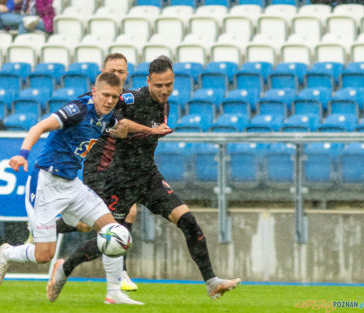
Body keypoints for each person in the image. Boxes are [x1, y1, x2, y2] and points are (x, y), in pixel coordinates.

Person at [48, 56, 241, 303]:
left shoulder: (165, 105)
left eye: (168, 85)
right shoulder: (131, 99)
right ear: (148, 81)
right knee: (110, 240)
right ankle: (65, 267)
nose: (164, 90)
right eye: (158, 85)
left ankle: (212, 282)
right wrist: (145, 130)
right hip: (120, 179)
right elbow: (114, 122)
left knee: (188, 221)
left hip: (148, 177)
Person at [0, 72, 135, 302]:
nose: (109, 100)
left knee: (115, 231)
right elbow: (38, 127)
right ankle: (7, 252)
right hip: (46, 183)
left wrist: (131, 129)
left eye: (114, 97)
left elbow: (121, 124)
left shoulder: (107, 116)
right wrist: (22, 154)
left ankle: (114, 293)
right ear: (95, 92)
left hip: (72, 185)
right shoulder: (77, 110)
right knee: (43, 255)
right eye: (106, 95)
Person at [48, 53, 172, 294]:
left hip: (116, 171)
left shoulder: (123, 100)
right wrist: (151, 130)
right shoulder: (96, 100)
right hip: (98, 169)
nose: (118, 75)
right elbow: (120, 127)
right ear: (102, 75)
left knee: (111, 221)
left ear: (127, 74)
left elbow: (129, 126)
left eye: (122, 72)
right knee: (103, 224)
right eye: (112, 71)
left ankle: (109, 271)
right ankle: (53, 239)